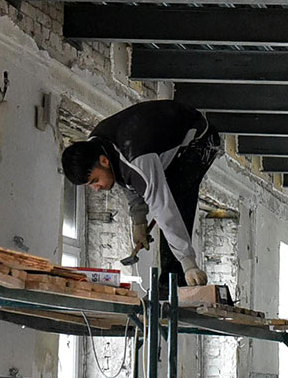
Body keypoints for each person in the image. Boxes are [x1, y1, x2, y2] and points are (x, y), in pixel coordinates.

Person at [61, 99, 220, 287]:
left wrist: (188, 262)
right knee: (163, 193)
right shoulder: (96, 146)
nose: (96, 188)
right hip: (158, 142)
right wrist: (139, 220)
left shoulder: (137, 159)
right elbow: (125, 178)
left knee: (175, 196)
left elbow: (163, 207)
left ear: (103, 161)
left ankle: (175, 280)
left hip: (201, 139)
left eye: (95, 180)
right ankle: (172, 278)